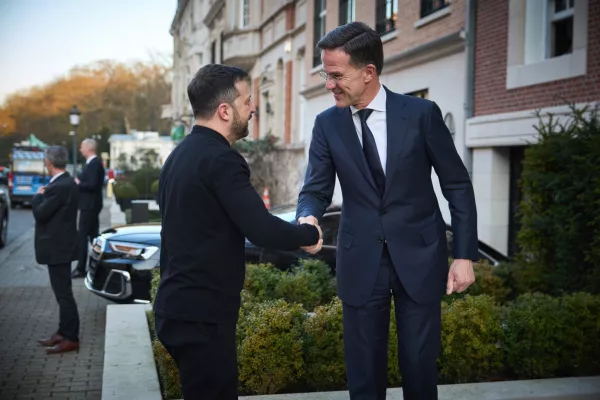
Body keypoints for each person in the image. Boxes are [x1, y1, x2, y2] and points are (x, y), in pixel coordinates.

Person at [296, 22, 478, 400]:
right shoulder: (326, 124)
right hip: (360, 259)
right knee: (363, 375)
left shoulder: (421, 114)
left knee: (419, 368)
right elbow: (315, 188)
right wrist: (308, 216)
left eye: (336, 75)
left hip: (420, 256)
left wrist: (463, 255)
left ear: (368, 72)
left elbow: (456, 184)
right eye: (324, 74)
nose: (328, 84)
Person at [154, 64, 323, 400]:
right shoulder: (221, 160)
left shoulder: (178, 156)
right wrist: (309, 235)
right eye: (247, 100)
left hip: (177, 307)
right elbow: (261, 229)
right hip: (202, 314)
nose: (253, 108)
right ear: (225, 110)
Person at [33, 146, 81, 354]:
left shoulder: (58, 186)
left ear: (49, 163)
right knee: (63, 292)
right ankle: (63, 332)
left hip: (58, 247)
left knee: (63, 294)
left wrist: (37, 196)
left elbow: (41, 214)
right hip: (63, 246)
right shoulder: (67, 182)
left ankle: (71, 337)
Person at [72, 138, 105, 278]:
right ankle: (101, 267)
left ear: (89, 148)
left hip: (89, 206)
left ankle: (81, 268)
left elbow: (92, 185)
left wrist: (78, 183)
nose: (80, 150)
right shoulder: (93, 164)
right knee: (94, 238)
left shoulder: (94, 164)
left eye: (82, 147)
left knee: (83, 237)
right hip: (90, 205)